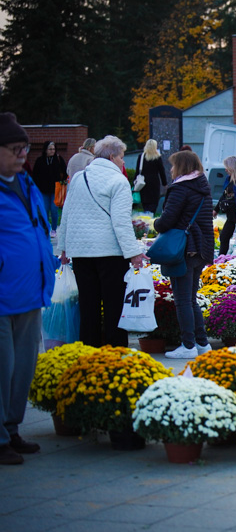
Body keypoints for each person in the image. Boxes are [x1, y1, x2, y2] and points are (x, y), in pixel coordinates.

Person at [0, 113, 57, 465]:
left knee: (23, 365)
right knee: (2, 366)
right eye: (16, 148)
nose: (24, 154)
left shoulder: (27, 183)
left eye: (26, 148)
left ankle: (11, 428)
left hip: (31, 290)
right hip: (4, 292)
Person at [57, 136, 146, 348]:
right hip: (110, 253)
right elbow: (121, 222)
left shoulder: (79, 178)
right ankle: (115, 353)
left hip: (81, 252)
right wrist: (134, 252)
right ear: (112, 157)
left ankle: (89, 352)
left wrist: (62, 248)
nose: (124, 162)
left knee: (88, 307)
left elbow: (66, 214)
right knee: (114, 306)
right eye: (122, 157)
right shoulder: (118, 181)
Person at [156, 151, 214, 359]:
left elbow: (167, 220)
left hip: (184, 249)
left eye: (173, 166)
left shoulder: (181, 188)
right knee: (190, 299)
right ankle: (202, 343)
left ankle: (188, 346)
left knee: (182, 300)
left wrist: (156, 224)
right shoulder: (202, 186)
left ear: (181, 167)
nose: (170, 170)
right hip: (200, 248)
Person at [31, 140, 67, 236]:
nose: (52, 151)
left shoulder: (58, 159)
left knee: (54, 210)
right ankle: (46, 227)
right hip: (43, 190)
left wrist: (61, 181)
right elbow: (35, 174)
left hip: (55, 189)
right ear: (45, 150)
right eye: (50, 149)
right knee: (45, 210)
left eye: (54, 149)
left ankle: (54, 229)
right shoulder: (40, 160)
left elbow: (64, 171)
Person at [135, 139, 167, 214]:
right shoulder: (157, 157)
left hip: (143, 184)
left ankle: (145, 217)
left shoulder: (141, 156)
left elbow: (137, 171)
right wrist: (164, 183)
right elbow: (161, 171)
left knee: (145, 204)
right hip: (154, 183)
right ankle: (150, 218)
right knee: (153, 204)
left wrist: (135, 183)